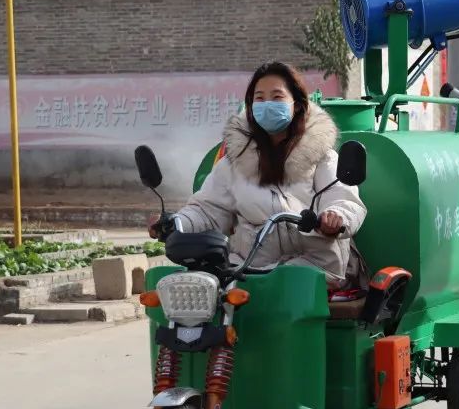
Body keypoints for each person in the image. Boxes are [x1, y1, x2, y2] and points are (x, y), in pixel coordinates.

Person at [152, 62, 367, 291]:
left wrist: (335, 218)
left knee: (285, 291)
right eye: (260, 98)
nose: (267, 105)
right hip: (251, 266)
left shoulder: (322, 156)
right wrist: (176, 223)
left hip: (314, 265)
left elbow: (344, 200)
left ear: (296, 105)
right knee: (201, 291)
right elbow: (208, 209)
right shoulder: (235, 161)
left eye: (277, 97)